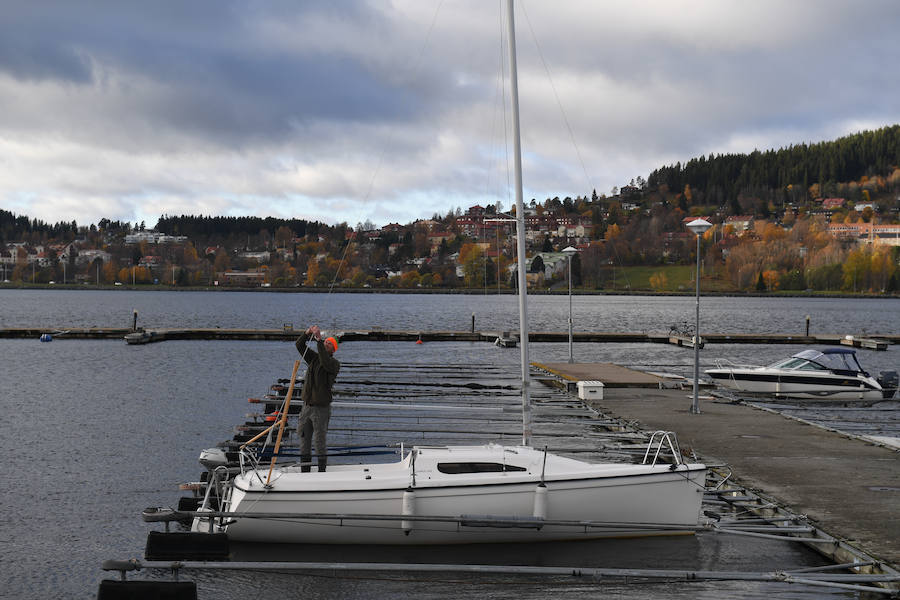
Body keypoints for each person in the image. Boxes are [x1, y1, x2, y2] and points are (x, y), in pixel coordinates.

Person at [295, 325, 340, 472]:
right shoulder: (313, 359)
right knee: (304, 440)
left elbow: (325, 362)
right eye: (325, 341)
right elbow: (299, 345)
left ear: (333, 350)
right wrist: (307, 333)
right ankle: (305, 471)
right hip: (307, 407)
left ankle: (321, 472)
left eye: (329, 343)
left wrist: (319, 340)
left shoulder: (334, 364)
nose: (325, 343)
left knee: (319, 442)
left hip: (321, 409)